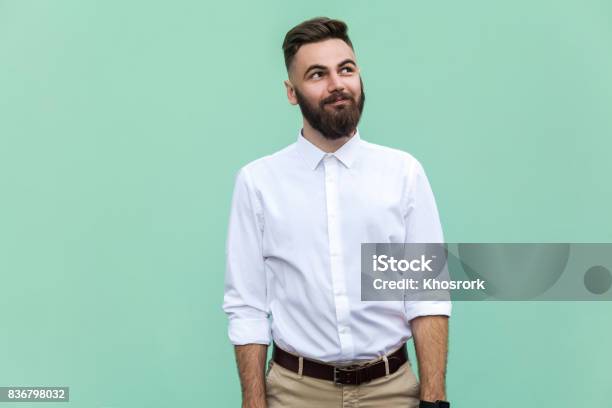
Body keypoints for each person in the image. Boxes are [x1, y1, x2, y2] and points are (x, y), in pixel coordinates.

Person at [223, 17, 451, 408]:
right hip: (295, 394)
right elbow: (247, 306)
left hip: (392, 391)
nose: (337, 84)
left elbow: (426, 296)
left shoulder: (403, 173)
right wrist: (254, 402)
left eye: (346, 69)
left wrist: (433, 399)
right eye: (317, 74)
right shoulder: (258, 182)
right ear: (291, 92)